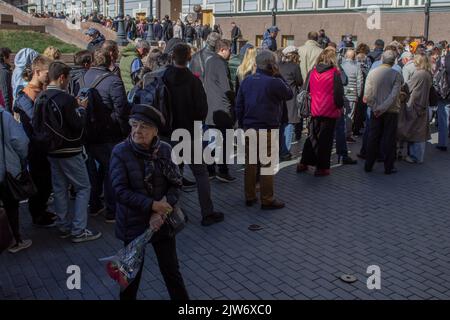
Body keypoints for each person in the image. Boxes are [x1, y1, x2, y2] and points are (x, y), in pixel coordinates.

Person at [110, 104, 189, 301]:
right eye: (134, 125)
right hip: (133, 224)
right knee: (130, 278)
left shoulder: (164, 150)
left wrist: (161, 211)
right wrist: (152, 206)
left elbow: (176, 184)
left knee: (172, 272)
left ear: (155, 131)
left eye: (144, 126)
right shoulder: (120, 152)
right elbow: (120, 191)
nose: (137, 131)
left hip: (162, 223)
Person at [163, 43, 224, 226]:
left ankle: (173, 212)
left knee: (172, 174)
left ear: (173, 57)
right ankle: (207, 212)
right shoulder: (193, 81)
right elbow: (201, 110)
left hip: (169, 133)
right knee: (200, 173)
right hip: (189, 132)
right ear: (189, 58)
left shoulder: (164, 77)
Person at [42, 61, 102, 242]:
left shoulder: (42, 97)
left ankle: (63, 224)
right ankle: (78, 229)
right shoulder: (66, 99)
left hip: (51, 150)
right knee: (84, 187)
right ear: (62, 78)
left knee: (59, 187)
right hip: (70, 149)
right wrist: (81, 109)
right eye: (67, 79)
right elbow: (77, 124)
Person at [236, 50, 293, 209]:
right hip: (267, 127)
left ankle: (250, 195)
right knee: (267, 164)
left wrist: (241, 123)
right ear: (271, 64)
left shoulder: (247, 80)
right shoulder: (273, 81)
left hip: (250, 126)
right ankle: (267, 199)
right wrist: (278, 74)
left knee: (250, 163)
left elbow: (239, 104)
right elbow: (288, 93)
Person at [83, 50, 131, 222]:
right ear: (110, 61)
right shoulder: (113, 81)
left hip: (87, 132)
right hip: (109, 134)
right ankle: (111, 210)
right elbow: (122, 109)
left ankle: (94, 204)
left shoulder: (82, 77)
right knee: (112, 170)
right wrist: (125, 130)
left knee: (95, 170)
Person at [13, 55, 56, 227]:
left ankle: (41, 210)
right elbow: (35, 122)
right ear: (37, 72)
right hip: (35, 148)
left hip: (43, 146)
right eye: (48, 73)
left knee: (45, 183)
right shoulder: (26, 95)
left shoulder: (41, 91)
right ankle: (37, 215)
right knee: (40, 182)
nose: (50, 77)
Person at [297, 48, 345, 176]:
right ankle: (322, 167)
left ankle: (304, 162)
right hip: (330, 110)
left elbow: (305, 88)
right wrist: (340, 106)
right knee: (326, 140)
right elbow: (338, 93)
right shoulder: (335, 73)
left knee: (312, 136)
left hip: (314, 109)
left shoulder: (312, 71)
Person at [363, 50, 403, 174]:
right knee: (389, 138)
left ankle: (368, 164)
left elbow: (367, 94)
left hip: (376, 110)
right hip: (390, 110)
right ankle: (388, 166)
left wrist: (376, 107)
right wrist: (381, 108)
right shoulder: (396, 74)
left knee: (374, 137)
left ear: (382, 59)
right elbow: (393, 95)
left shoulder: (372, 73)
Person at [204, 39, 236, 182]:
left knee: (210, 140)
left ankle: (210, 170)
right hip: (222, 108)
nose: (231, 53)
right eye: (230, 50)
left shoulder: (209, 61)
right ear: (223, 50)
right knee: (226, 141)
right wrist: (234, 101)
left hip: (210, 107)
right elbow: (226, 87)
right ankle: (223, 171)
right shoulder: (221, 63)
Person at [0, 107, 31, 253]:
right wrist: (22, 159)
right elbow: (20, 141)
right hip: (6, 171)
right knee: (11, 206)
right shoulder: (4, 117)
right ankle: (16, 239)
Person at [398, 54, 432, 164]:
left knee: (414, 132)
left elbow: (407, 87)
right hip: (422, 105)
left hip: (415, 105)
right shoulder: (427, 74)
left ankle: (415, 156)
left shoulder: (419, 74)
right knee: (419, 132)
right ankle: (416, 155)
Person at [335, 49, 362, 164]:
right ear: (354, 56)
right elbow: (360, 81)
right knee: (350, 116)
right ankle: (347, 134)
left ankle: (340, 134)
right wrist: (358, 94)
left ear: (346, 56)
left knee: (342, 115)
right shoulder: (357, 67)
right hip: (351, 94)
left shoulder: (340, 65)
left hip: (342, 93)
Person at [278, 46, 303, 160]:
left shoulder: (278, 66)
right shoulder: (295, 67)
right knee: (289, 124)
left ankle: (279, 149)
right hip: (290, 99)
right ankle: (285, 151)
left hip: (279, 98)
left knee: (281, 125)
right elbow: (299, 81)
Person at [434, 43, 450, 151]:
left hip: (444, 93)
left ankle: (442, 143)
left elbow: (436, 76)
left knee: (443, 117)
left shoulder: (443, 60)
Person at [0, 48, 13, 113]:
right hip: (4, 107)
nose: (11, 59)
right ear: (5, 57)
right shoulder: (4, 72)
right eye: (10, 57)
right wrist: (9, 112)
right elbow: (5, 92)